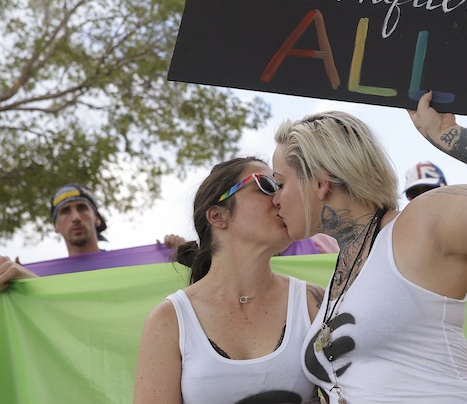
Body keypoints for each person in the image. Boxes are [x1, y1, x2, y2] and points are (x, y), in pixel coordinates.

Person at [271, 91, 467, 403]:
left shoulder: (419, 223)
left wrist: (445, 134)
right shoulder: (341, 270)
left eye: (280, 184)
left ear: (321, 183)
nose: (275, 199)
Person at [134, 157, 324, 403]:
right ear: (217, 215)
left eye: (281, 187)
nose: (279, 198)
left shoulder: (313, 302)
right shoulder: (169, 321)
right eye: (266, 185)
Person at [50, 184, 109, 256]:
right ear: (56, 225)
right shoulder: (40, 267)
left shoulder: (123, 264)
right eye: (65, 211)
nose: (76, 218)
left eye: (82, 208)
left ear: (97, 218)